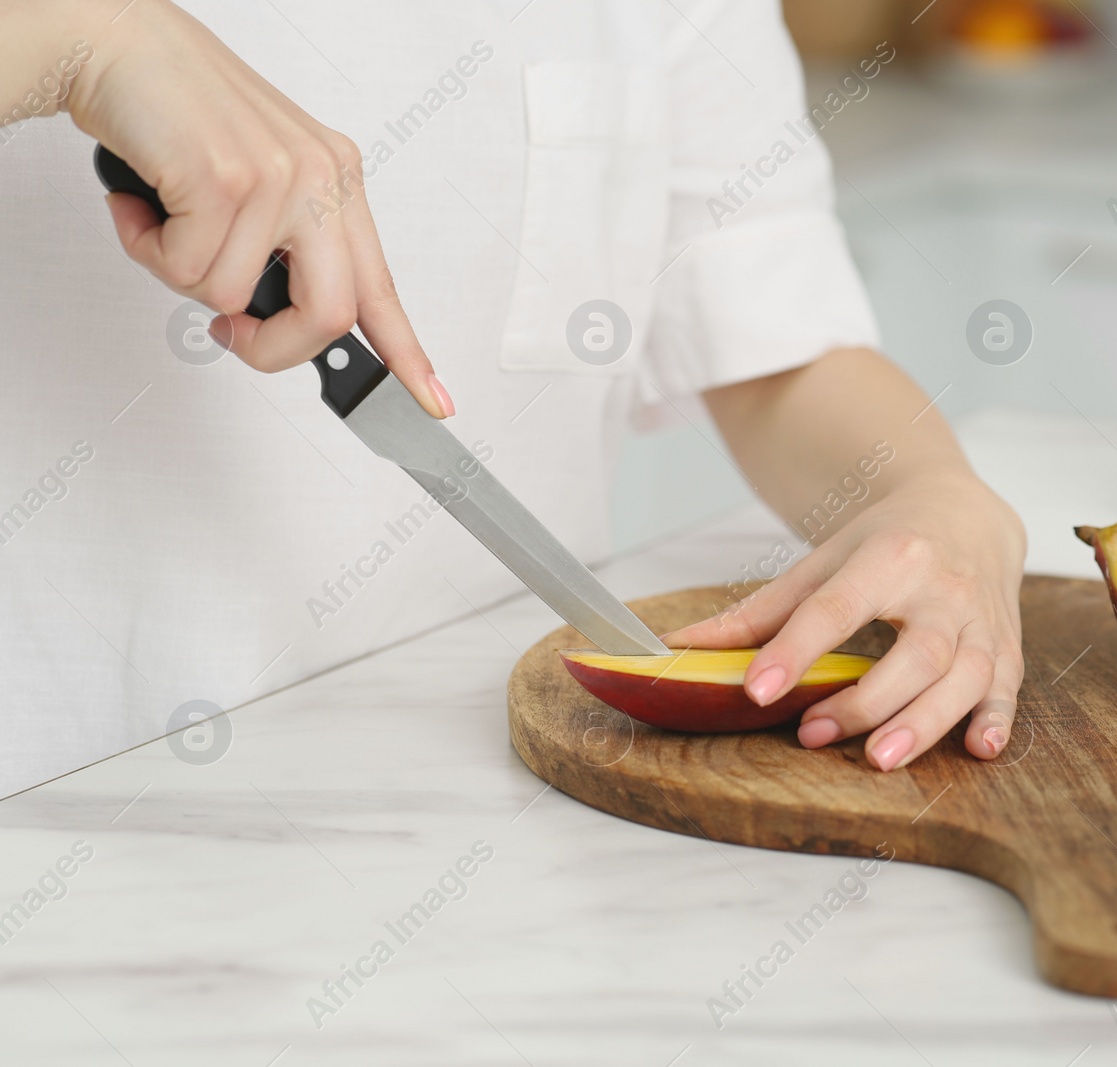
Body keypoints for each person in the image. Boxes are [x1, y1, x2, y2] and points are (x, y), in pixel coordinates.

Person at [0, 0, 1023, 790]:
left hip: (508, 809)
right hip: (58, 817)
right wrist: (81, 37)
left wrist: (929, 492)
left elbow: (772, 344)